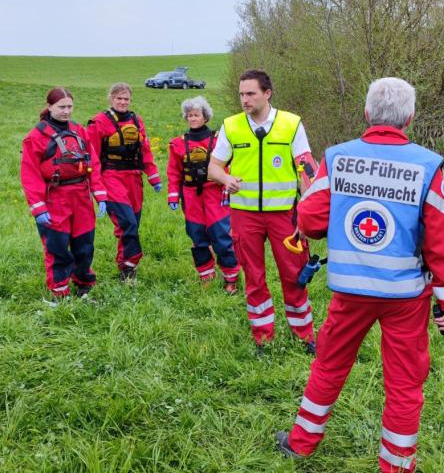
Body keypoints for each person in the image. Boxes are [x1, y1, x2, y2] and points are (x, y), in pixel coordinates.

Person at [275, 77, 444, 472]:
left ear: (366, 114)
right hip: (407, 296)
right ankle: (397, 464)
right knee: (406, 383)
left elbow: (309, 220)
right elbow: (442, 237)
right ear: (409, 118)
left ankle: (301, 444)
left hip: (350, 291)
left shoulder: (338, 157)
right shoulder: (428, 165)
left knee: (328, 364)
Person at [208, 69, 318, 353]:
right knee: (254, 278)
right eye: (241, 94)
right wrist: (225, 179)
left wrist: (310, 212)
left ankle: (305, 335)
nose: (244, 99)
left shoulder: (291, 124)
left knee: (294, 275)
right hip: (245, 216)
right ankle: (263, 337)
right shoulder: (231, 126)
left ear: (267, 93)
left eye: (250, 94)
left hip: (284, 216)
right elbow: (213, 167)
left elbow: (306, 169)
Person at [20, 87, 107, 300]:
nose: (66, 111)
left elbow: (93, 162)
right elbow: (29, 174)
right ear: (50, 107)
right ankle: (59, 290)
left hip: (81, 196)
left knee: (84, 244)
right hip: (54, 198)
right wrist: (38, 207)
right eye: (61, 107)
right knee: (57, 247)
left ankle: (84, 283)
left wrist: (100, 194)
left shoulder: (79, 130)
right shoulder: (36, 136)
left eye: (70, 106)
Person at [87, 82, 162, 281]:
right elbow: (91, 156)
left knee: (132, 225)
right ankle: (130, 265)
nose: (122, 102)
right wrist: (93, 185)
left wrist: (153, 176)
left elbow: (145, 150)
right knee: (127, 222)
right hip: (111, 176)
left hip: (134, 178)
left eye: (126, 98)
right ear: (111, 99)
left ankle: (125, 266)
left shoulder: (136, 121)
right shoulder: (99, 122)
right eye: (119, 98)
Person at [167, 96, 240, 292]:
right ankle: (206, 273)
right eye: (189, 115)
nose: (192, 118)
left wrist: (229, 184)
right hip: (190, 195)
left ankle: (231, 277)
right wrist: (173, 195)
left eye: (196, 115)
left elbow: (231, 165)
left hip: (214, 193)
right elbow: (174, 172)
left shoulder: (219, 140)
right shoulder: (178, 144)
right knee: (197, 235)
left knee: (221, 235)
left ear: (205, 117)